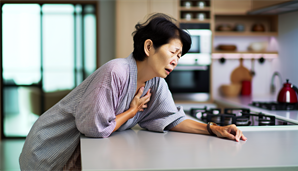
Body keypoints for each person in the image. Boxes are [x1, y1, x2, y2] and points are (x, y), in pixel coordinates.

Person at [19, 13, 247, 171]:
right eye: (174, 52)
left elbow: (172, 117)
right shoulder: (115, 71)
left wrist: (213, 129)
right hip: (51, 147)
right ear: (149, 47)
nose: (176, 60)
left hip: (81, 153)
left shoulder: (155, 82)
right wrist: (132, 111)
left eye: (180, 56)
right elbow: (94, 128)